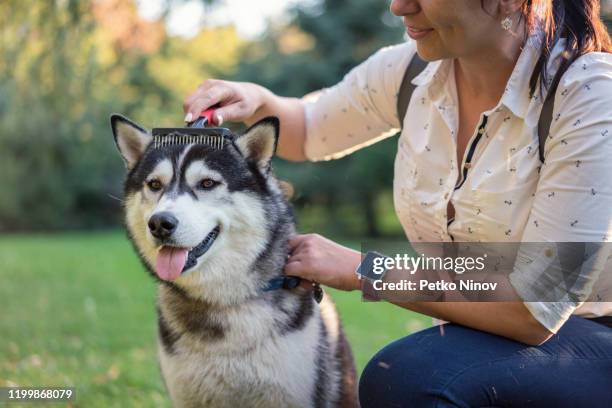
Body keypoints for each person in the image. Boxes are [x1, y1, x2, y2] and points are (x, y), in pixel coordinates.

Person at [184, 0, 612, 406]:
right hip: (488, 341)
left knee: (414, 376)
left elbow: (533, 305)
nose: (399, 6)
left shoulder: (589, 93)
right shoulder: (410, 70)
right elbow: (311, 128)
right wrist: (259, 102)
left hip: (592, 337)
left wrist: (365, 269)